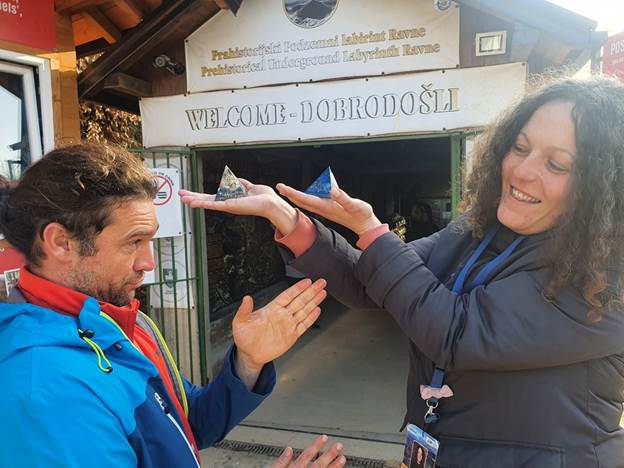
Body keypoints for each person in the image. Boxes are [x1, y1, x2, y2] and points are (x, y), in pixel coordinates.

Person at [180, 77, 624, 468]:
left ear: (604, 186)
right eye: (520, 147)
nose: (522, 171)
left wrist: (372, 231)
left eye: (556, 164)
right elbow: (374, 282)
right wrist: (289, 219)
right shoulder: (477, 230)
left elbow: (456, 333)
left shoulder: (604, 283)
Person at [0, 144, 346, 468]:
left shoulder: (124, 323)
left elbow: (184, 424)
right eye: (134, 242)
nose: (148, 263)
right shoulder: (41, 387)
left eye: (149, 239)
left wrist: (248, 362)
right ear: (61, 242)